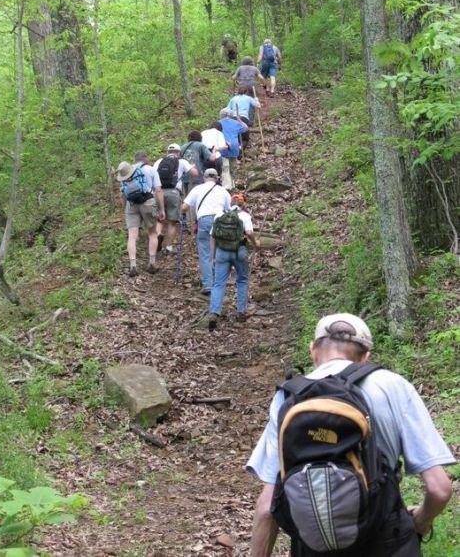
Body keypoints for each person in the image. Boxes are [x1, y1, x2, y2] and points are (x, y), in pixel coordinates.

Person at [247, 313, 454, 557]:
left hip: (313, 548)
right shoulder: (392, 386)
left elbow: (266, 508)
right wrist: (420, 521)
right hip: (389, 542)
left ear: (313, 350)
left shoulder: (288, 397)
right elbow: (439, 489)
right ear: (365, 357)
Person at [207, 193, 260, 330]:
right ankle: (241, 312)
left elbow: (212, 236)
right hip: (239, 251)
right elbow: (248, 233)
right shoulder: (245, 216)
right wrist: (256, 243)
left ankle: (214, 312)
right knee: (242, 280)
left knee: (218, 283)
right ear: (244, 204)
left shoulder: (220, 215)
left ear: (230, 204)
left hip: (221, 252)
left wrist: (212, 257)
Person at [181, 168, 231, 294]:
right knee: (220, 250)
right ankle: (219, 282)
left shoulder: (197, 189)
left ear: (204, 177)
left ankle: (208, 284)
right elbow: (229, 209)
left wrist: (183, 212)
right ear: (217, 178)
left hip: (204, 220)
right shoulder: (223, 190)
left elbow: (184, 207)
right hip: (221, 221)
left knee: (205, 253)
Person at [116, 152, 165, 277]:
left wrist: (125, 209)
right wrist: (162, 209)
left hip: (131, 205)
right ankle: (152, 264)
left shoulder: (123, 174)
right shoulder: (149, 169)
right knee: (153, 233)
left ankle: (133, 265)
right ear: (145, 159)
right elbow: (158, 189)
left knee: (132, 236)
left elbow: (122, 195)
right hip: (148, 202)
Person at [153, 144, 198, 254]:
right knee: (172, 222)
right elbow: (194, 174)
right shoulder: (182, 161)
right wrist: (193, 166)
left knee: (160, 218)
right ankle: (169, 247)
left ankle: (158, 234)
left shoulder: (159, 161)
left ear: (168, 152)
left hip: (159, 192)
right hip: (174, 192)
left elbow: (153, 175)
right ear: (178, 152)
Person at [219, 108, 248, 189]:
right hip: (234, 148)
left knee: (225, 168)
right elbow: (246, 128)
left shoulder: (218, 123)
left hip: (223, 147)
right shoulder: (235, 123)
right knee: (232, 168)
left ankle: (228, 186)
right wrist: (240, 120)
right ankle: (232, 184)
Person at [180, 130, 215, 195]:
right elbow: (212, 158)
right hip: (197, 177)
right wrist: (214, 151)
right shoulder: (201, 146)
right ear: (200, 138)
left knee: (186, 200)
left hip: (184, 177)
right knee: (196, 198)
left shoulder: (183, 147)